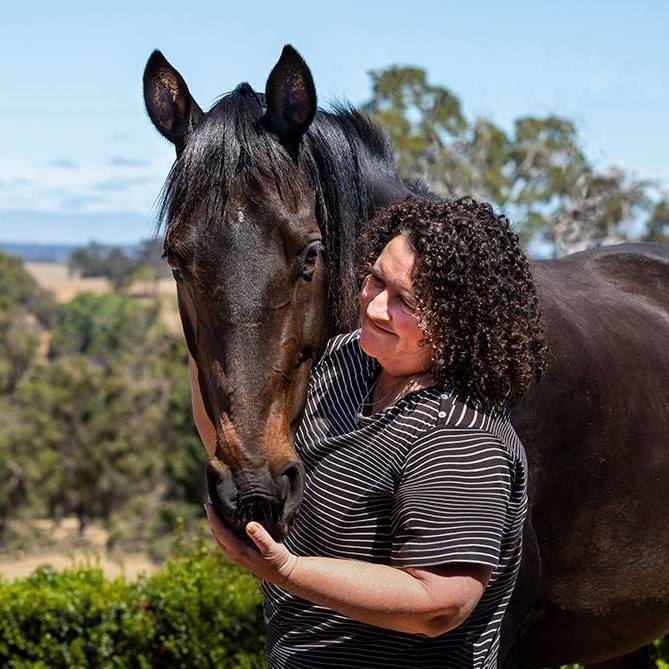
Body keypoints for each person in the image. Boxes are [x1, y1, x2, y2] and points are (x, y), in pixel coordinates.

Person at [202, 195, 548, 668]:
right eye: (375, 279)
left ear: (460, 321)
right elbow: (241, 429)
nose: (375, 306)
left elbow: (439, 603)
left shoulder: (458, 434)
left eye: (404, 301)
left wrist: (288, 571)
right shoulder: (346, 360)